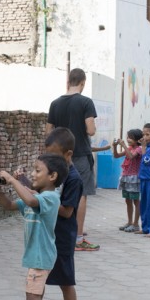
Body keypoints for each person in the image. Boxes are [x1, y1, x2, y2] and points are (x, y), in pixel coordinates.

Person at [0, 153, 72, 300]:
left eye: (37, 170)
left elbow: (30, 199)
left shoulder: (50, 198)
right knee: (36, 297)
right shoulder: (35, 197)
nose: (33, 174)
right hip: (36, 255)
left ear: (52, 176)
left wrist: (13, 180)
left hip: (40, 256)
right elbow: (9, 205)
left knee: (32, 299)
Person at [13, 128, 83, 300]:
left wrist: (42, 200)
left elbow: (67, 211)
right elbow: (38, 197)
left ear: (68, 154)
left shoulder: (73, 179)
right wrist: (26, 184)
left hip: (61, 236)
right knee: (37, 284)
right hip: (43, 234)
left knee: (65, 281)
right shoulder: (49, 182)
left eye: (55, 155)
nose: (51, 159)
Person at [46, 68, 100, 252]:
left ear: (68, 82)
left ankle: (57, 233)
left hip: (59, 155)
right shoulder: (86, 102)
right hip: (80, 154)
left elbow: (48, 133)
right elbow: (91, 130)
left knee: (58, 192)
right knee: (81, 193)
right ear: (83, 83)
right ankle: (78, 237)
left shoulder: (55, 103)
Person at [113, 129, 143, 233]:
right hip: (126, 177)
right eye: (127, 137)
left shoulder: (139, 149)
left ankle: (135, 224)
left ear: (137, 139)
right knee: (127, 201)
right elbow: (116, 156)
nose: (128, 139)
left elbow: (131, 156)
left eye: (131, 137)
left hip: (134, 178)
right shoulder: (129, 148)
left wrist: (124, 145)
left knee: (136, 201)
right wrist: (115, 146)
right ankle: (129, 222)